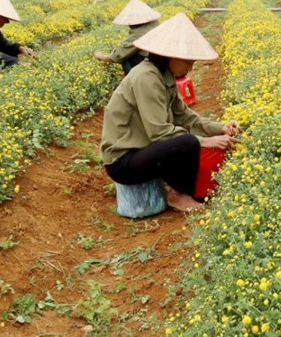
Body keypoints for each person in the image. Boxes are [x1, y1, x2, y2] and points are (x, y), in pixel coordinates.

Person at [100, 12, 240, 213]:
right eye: (188, 61)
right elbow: (159, 133)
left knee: (189, 141)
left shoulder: (164, 76)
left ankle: (189, 191)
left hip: (142, 152)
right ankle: (178, 194)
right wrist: (205, 140)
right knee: (187, 142)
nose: (190, 67)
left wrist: (220, 128)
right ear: (172, 56)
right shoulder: (146, 77)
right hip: (123, 161)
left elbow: (185, 116)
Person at [94, 0, 161, 74]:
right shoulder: (155, 23)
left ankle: (133, 78)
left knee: (126, 59)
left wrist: (101, 57)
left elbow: (119, 55)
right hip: (160, 59)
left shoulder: (139, 32)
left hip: (154, 64)